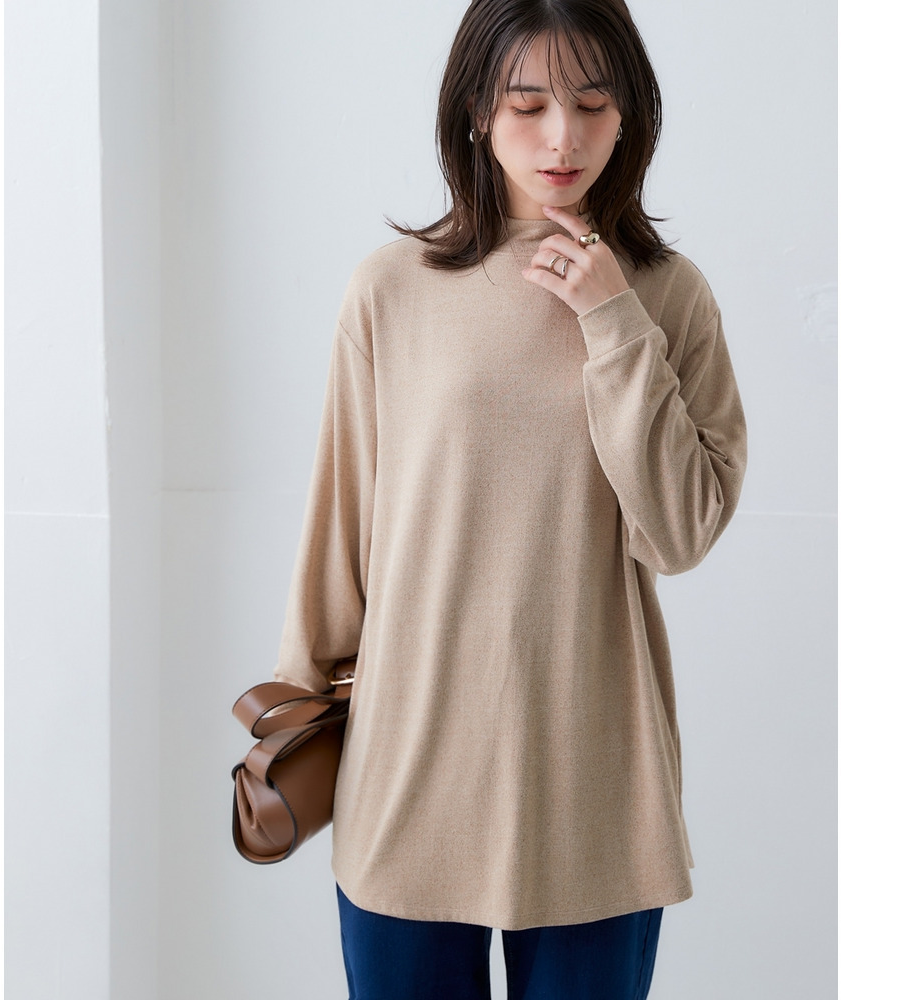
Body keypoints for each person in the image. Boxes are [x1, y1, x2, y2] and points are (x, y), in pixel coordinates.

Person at [270, 1, 746, 996]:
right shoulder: (391, 288)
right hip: (409, 771)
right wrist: (292, 716)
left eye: (592, 102)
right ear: (476, 112)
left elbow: (682, 532)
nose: (562, 137)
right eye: (528, 104)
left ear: (630, 114)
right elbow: (341, 526)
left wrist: (613, 322)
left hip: (596, 781)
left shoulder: (668, 295)